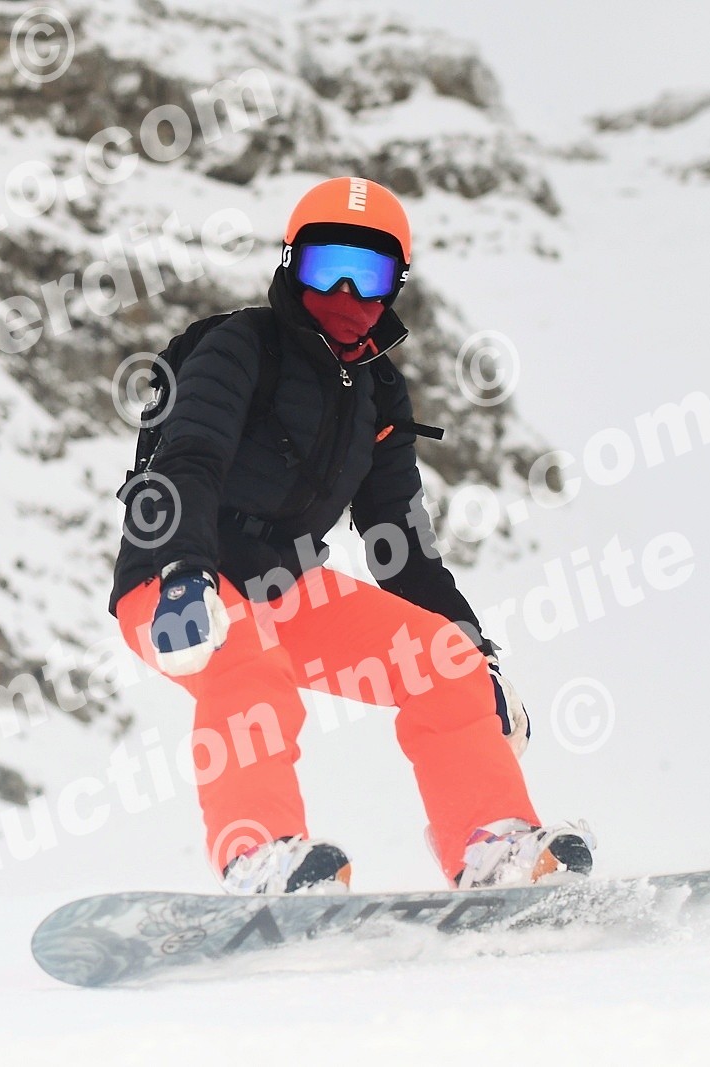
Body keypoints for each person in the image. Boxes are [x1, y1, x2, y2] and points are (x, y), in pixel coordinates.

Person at [109, 176, 593, 893]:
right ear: (290, 263)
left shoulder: (378, 392)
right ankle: (259, 857)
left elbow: (401, 541)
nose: (344, 291)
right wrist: (184, 569)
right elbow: (190, 459)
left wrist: (480, 652)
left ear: (395, 286)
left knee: (445, 661)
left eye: (367, 274)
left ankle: (494, 846)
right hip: (172, 580)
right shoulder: (242, 346)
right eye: (325, 266)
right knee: (248, 671)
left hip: (280, 587)